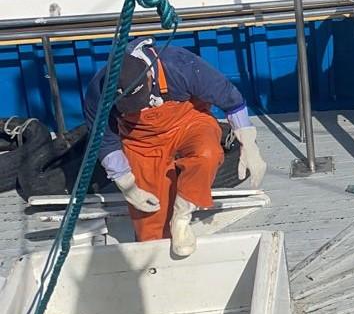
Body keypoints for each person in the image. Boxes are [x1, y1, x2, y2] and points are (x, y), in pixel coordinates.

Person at [84, 37, 266, 257]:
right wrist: (126, 182)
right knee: (149, 218)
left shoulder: (179, 64)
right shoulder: (98, 90)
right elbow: (104, 138)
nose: (139, 108)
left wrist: (248, 143)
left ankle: (181, 218)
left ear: (150, 75)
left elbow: (230, 98)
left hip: (189, 123)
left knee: (206, 153)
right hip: (142, 141)